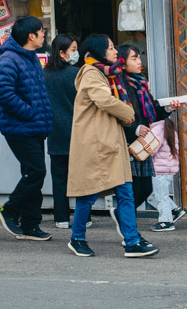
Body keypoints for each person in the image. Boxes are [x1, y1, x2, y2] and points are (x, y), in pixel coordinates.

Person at [66, 34, 158, 258]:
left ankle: (132, 241)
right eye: (110, 48)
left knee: (126, 191)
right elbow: (104, 101)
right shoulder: (91, 73)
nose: (115, 52)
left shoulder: (108, 73)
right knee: (88, 194)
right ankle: (77, 238)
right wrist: (129, 114)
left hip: (110, 142)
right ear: (99, 51)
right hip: (96, 144)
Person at [0, 15, 53, 241]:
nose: (43, 34)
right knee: (36, 172)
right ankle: (9, 210)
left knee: (32, 175)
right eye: (41, 31)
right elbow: (4, 94)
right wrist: (30, 113)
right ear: (31, 36)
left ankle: (31, 225)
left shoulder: (29, 57)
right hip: (20, 128)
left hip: (34, 127)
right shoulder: (9, 59)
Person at [114, 43, 169, 215]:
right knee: (134, 190)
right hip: (126, 143)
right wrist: (136, 129)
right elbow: (118, 117)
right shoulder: (118, 86)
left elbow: (152, 112)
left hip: (141, 145)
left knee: (145, 189)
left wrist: (168, 108)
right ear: (122, 63)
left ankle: (120, 215)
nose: (139, 61)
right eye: (134, 58)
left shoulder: (141, 83)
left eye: (138, 57)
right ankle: (127, 225)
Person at [44, 34, 79, 228]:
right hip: (76, 131)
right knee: (81, 177)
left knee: (59, 178)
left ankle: (61, 218)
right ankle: (85, 217)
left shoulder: (44, 74)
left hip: (54, 131)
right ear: (61, 52)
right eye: (73, 49)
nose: (76, 53)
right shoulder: (76, 73)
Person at [148, 114, 186, 231]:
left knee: (160, 196)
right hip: (168, 167)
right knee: (157, 194)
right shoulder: (168, 126)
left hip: (160, 167)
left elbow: (152, 148)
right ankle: (175, 210)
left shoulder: (157, 128)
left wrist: (143, 155)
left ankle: (166, 222)